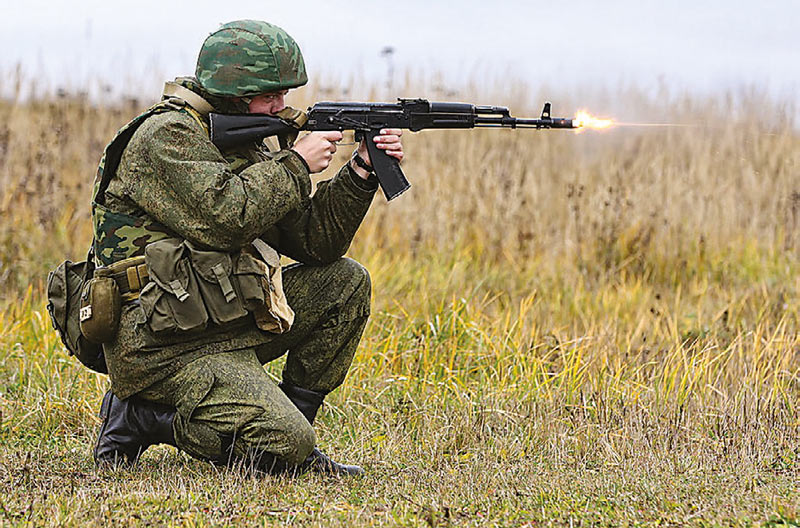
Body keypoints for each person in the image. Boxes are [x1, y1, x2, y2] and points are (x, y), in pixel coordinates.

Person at [91, 19, 404, 476]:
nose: (282, 105)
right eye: (270, 95)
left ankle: (297, 448)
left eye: (284, 93)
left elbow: (315, 244)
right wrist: (296, 163)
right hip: (163, 342)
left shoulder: (247, 144)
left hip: (224, 315)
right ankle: (139, 415)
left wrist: (359, 173)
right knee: (283, 441)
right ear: (232, 93)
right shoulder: (166, 138)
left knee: (345, 282)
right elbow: (226, 217)